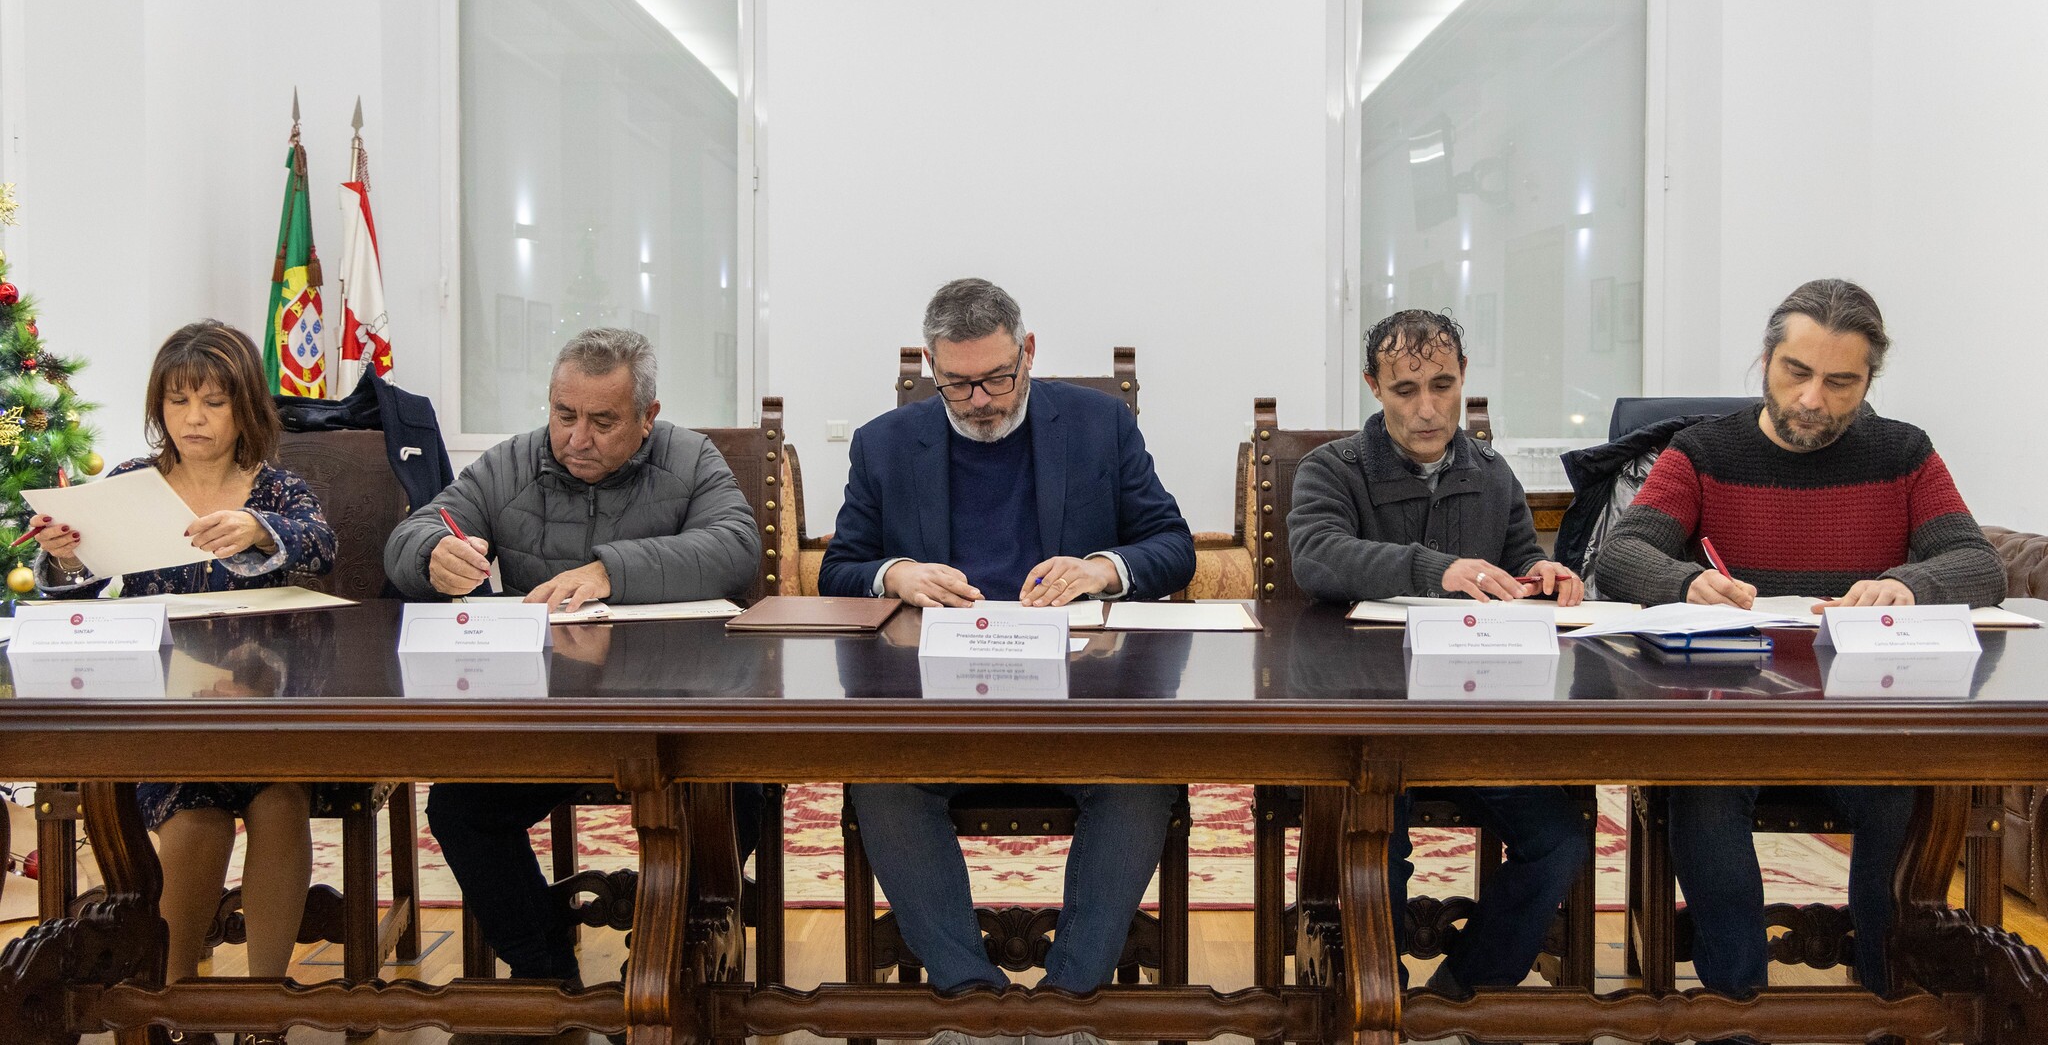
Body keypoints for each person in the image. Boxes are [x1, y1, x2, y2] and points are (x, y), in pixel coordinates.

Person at [1593, 278, 2003, 1018]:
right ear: (1765, 361)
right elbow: (1622, 554)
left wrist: (1906, 583)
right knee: (1703, 796)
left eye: (1840, 383)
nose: (1813, 399)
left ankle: (1886, 1005)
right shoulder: (1703, 451)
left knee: (1903, 802)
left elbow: (1979, 563)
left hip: (1862, 718)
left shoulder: (1903, 452)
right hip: (1732, 716)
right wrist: (1683, 580)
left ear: (1869, 381)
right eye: (1797, 372)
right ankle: (1737, 1009)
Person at [821, 278, 1195, 1028]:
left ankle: (1065, 1007)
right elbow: (839, 570)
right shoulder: (884, 442)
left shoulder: (1098, 425)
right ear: (930, 365)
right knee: (881, 780)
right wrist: (896, 573)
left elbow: (1172, 546)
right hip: (937, 702)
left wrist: (1100, 568)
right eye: (957, 384)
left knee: (1141, 778)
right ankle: (973, 1005)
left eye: (997, 378)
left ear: (1028, 352)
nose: (981, 401)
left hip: (1079, 696)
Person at [384, 327, 763, 985]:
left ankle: (670, 959)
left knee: (742, 793)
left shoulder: (690, 458)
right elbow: (415, 533)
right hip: (546, 712)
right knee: (458, 810)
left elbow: (735, 546)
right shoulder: (512, 463)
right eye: (564, 415)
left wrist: (610, 570)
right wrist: (430, 555)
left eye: (602, 422)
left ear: (647, 417)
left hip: (673, 708)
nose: (577, 439)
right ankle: (545, 974)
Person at [29, 321, 337, 1045]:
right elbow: (76, 586)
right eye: (178, 402)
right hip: (169, 712)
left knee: (281, 802)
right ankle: (175, 1007)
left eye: (213, 402)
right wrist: (66, 555)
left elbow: (322, 546)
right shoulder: (132, 484)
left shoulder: (276, 487)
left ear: (245, 408)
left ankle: (263, 1012)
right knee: (195, 819)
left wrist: (260, 530)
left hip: (266, 709)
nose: (194, 418)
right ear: (158, 407)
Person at [1286, 308, 1592, 1001]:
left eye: (1442, 385)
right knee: (1378, 846)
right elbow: (1316, 558)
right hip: (1369, 718)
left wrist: (1543, 579)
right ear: (1373, 387)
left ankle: (1465, 991)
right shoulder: (1331, 469)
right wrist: (1436, 569)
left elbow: (1518, 562)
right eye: (1405, 389)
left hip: (1473, 717)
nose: (1427, 409)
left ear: (1463, 380)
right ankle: (1380, 998)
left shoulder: (1491, 472)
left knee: (1561, 841)